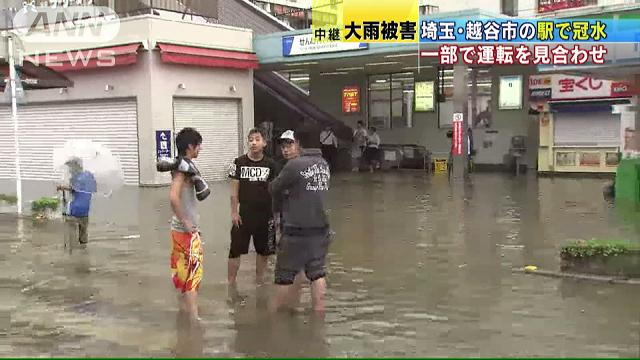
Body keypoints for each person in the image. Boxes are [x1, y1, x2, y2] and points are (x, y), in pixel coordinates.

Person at [270, 129, 331, 313]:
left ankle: (275, 320)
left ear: (299, 144)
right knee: (316, 273)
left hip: (296, 230)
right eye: (283, 145)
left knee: (284, 275)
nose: (286, 149)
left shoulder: (294, 166)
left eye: (290, 144)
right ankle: (319, 313)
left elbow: (273, 188)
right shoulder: (324, 164)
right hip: (320, 229)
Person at [228, 128, 280, 287]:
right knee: (235, 249)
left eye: (257, 139)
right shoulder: (238, 162)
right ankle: (231, 283)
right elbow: (233, 191)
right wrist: (234, 212)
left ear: (264, 143)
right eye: (251, 140)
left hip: (265, 215)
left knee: (263, 251)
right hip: (243, 214)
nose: (253, 143)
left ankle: (259, 282)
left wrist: (277, 216)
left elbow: (275, 191)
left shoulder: (272, 165)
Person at [169, 127, 205, 322]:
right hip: (185, 232)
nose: (200, 149)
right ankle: (194, 318)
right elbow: (173, 197)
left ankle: (184, 314)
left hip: (180, 231)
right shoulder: (182, 170)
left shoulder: (181, 167)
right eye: (198, 146)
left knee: (183, 274)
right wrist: (188, 223)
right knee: (193, 274)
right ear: (191, 146)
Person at [57, 158, 96, 250]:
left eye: (70, 168)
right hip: (85, 210)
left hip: (74, 210)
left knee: (72, 238)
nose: (69, 170)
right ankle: (84, 255)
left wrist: (62, 187)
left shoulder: (75, 178)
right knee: (83, 237)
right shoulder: (89, 176)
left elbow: (73, 189)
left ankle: (73, 258)